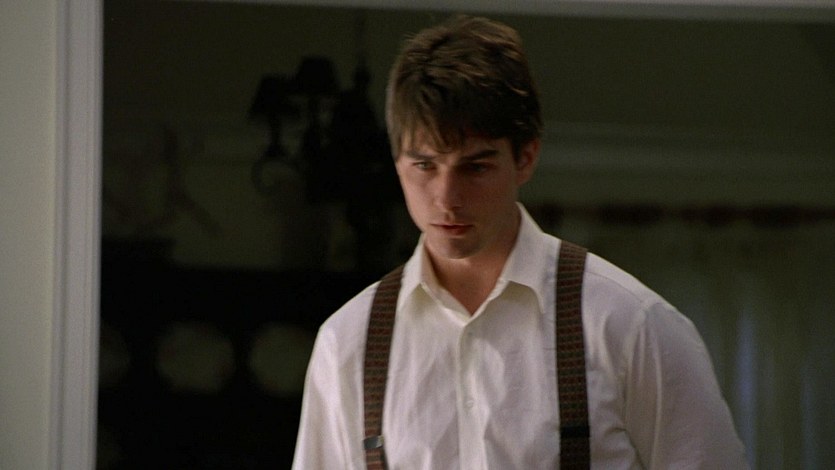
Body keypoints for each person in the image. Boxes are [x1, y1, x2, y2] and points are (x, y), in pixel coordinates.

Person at [292, 15, 748, 469]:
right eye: (425, 165)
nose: (447, 198)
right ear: (397, 162)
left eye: (475, 167)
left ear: (526, 158)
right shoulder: (347, 343)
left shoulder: (629, 326)